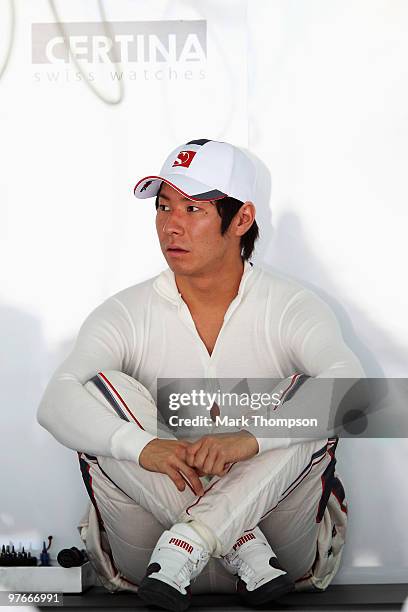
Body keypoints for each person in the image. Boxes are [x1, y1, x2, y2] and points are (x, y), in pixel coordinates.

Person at [37, 139, 364, 612]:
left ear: (242, 219)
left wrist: (251, 438)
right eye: (164, 206)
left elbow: (355, 391)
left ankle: (196, 536)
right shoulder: (126, 312)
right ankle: (231, 540)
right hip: (151, 555)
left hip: (278, 552)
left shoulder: (290, 305)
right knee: (101, 391)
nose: (172, 224)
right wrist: (143, 447)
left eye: (194, 209)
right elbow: (54, 402)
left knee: (315, 394)